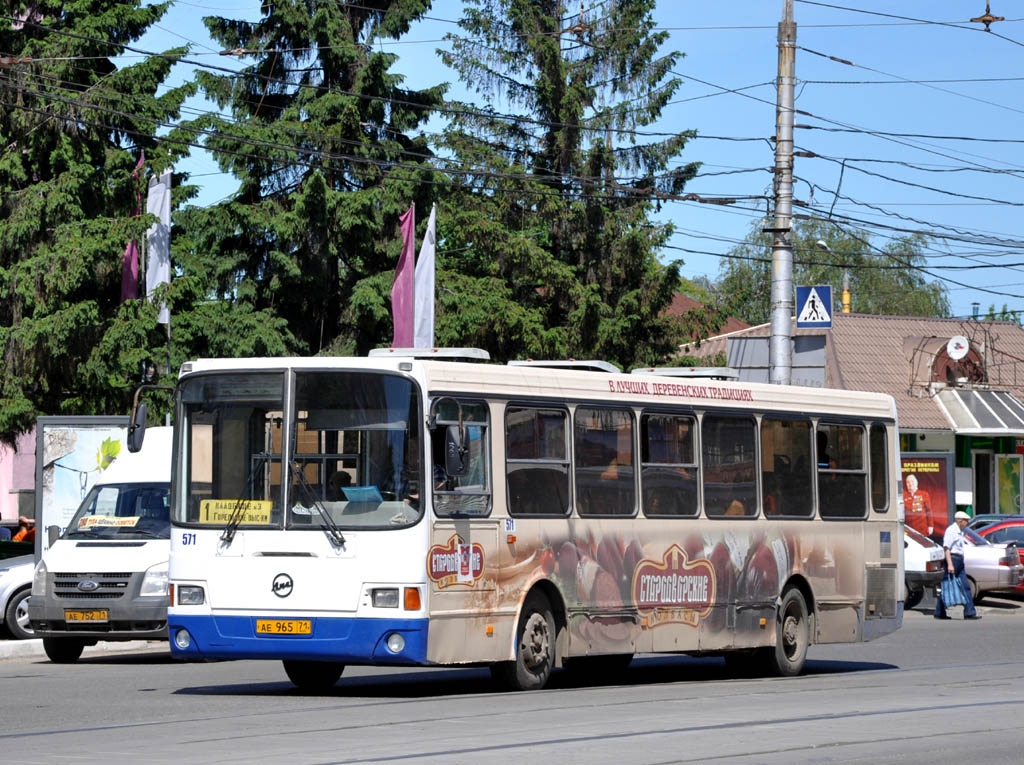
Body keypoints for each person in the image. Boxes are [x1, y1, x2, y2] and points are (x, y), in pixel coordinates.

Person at [935, 510, 981, 620]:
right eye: (966, 521)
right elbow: (946, 548)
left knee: (965, 586)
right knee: (948, 586)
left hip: (959, 560)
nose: (967, 523)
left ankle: (969, 612)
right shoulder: (951, 531)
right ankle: (939, 611)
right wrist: (950, 564)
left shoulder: (960, 531)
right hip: (953, 559)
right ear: (960, 521)